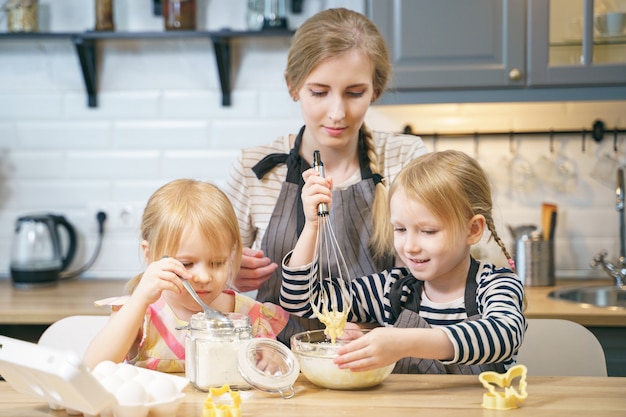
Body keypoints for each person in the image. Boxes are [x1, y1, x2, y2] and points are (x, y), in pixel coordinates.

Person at [224, 8, 428, 333]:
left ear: (376, 89)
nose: (337, 113)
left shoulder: (405, 159)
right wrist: (227, 272)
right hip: (279, 364)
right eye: (319, 92)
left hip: (384, 360)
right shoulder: (255, 168)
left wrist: (375, 335)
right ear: (293, 86)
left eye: (354, 93)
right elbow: (208, 282)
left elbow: (436, 278)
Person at [280, 150, 526, 374]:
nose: (410, 246)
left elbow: (503, 334)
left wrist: (400, 342)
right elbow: (300, 300)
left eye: (428, 231)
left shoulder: (495, 284)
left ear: (472, 230)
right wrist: (313, 226)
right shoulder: (393, 289)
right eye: (400, 229)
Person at [83, 179, 289, 372]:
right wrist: (139, 299)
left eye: (217, 263)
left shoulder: (250, 317)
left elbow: (274, 375)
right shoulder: (140, 314)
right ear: (149, 254)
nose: (204, 276)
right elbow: (94, 369)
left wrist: (272, 360)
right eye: (186, 263)